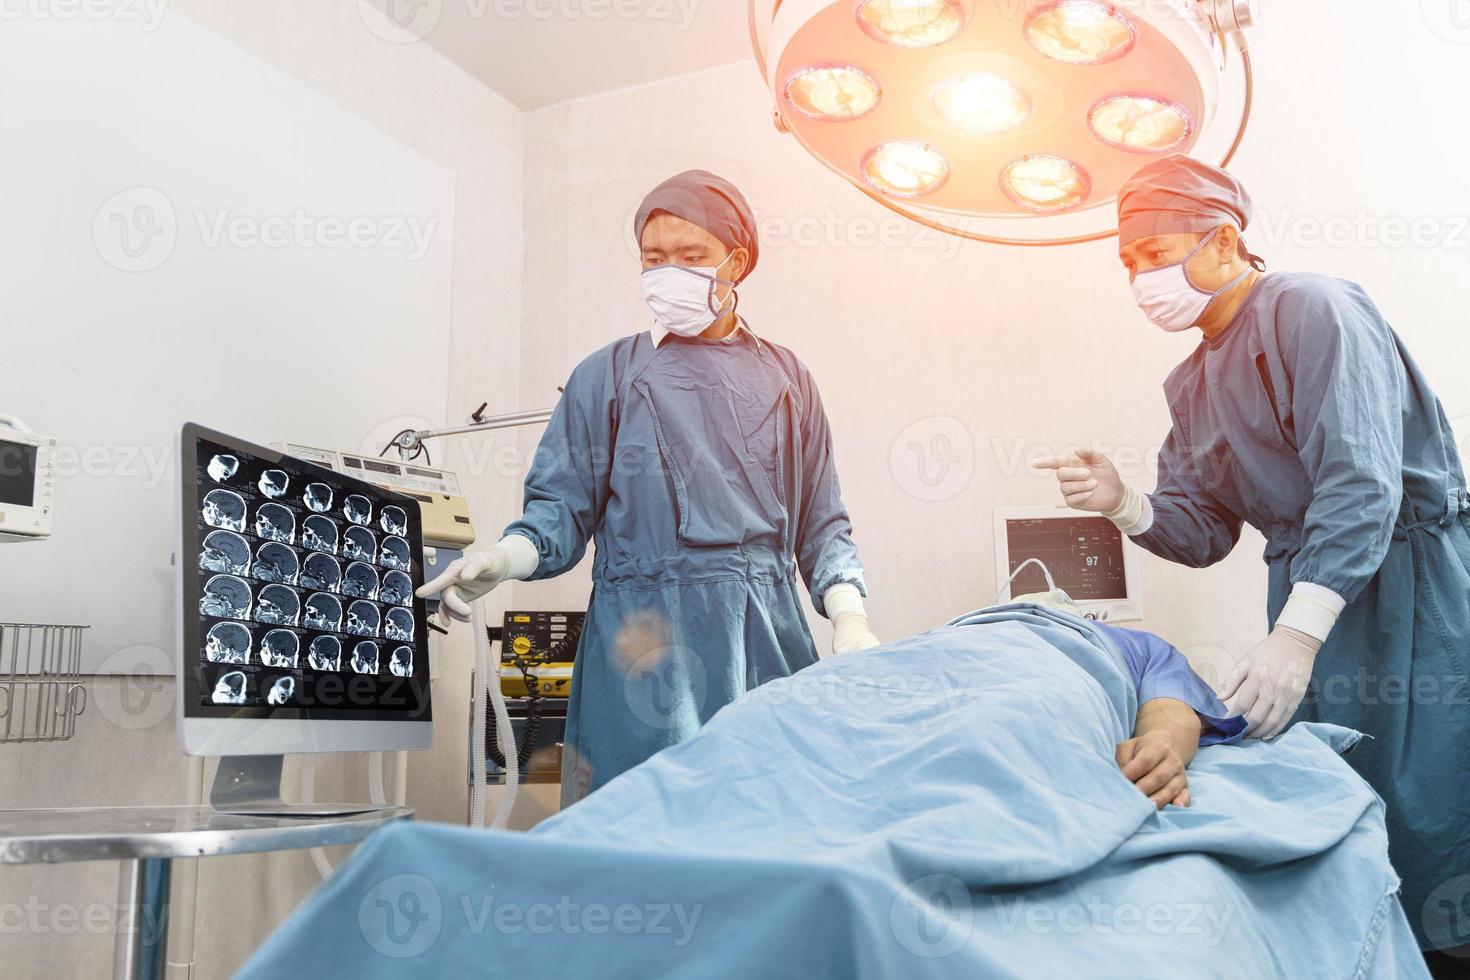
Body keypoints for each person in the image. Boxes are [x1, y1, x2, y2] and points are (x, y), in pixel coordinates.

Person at [1034, 154, 1470, 961]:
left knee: (1440, 795)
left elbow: (1362, 483)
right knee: (1348, 799)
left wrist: (1299, 635)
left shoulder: (1312, 306)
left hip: (1412, 586)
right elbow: (1203, 533)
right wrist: (1123, 503)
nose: (1140, 279)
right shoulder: (1190, 384)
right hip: (1314, 595)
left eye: (1156, 254)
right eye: (1127, 263)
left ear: (1224, 240)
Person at [419, 170, 879, 803]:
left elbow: (821, 522)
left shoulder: (787, 379)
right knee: (636, 833)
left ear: (735, 262)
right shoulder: (605, 376)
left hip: (763, 640)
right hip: (642, 645)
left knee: (772, 825)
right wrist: (503, 558)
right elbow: (557, 514)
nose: (669, 273)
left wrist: (849, 618)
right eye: (653, 259)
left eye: (692, 257)